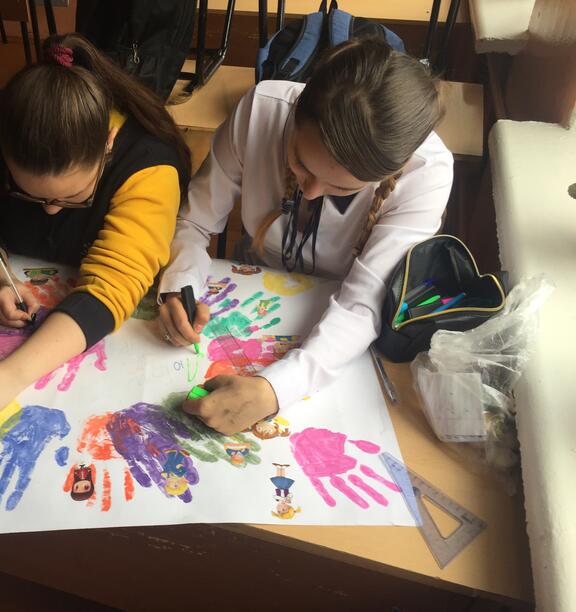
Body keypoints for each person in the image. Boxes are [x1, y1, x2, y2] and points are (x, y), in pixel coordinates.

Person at [159, 39, 452, 434]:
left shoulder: (427, 173)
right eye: (300, 163)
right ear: (296, 115)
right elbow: (195, 222)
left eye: (343, 189)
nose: (311, 192)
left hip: (335, 331)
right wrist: (179, 285)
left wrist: (273, 391)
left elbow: (363, 303)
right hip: (253, 290)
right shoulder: (262, 110)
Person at [0, 33, 190, 419]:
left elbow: (114, 285)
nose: (52, 211)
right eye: (29, 194)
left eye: (73, 197)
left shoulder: (148, 164)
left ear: (108, 144)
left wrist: (10, 375)